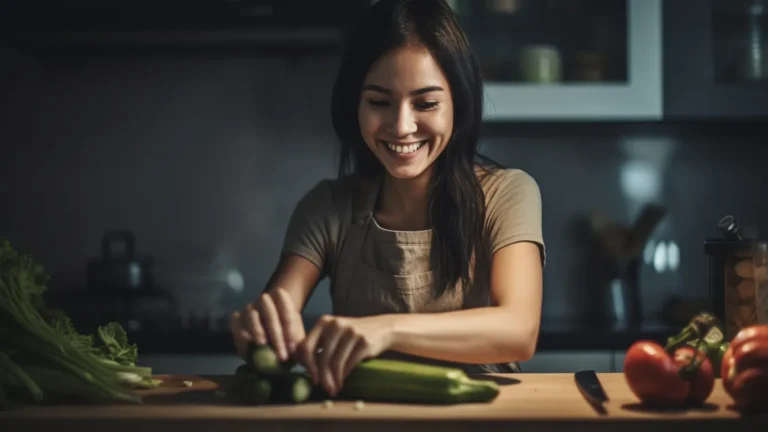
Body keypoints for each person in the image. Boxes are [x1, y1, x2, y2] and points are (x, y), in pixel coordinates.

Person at [230, 0, 545, 397]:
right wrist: (260, 329)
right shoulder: (328, 206)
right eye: (379, 102)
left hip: (482, 416)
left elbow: (519, 330)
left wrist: (386, 329)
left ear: (458, 105)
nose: (402, 126)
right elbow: (277, 312)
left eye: (426, 103)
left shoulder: (508, 193)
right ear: (355, 105)